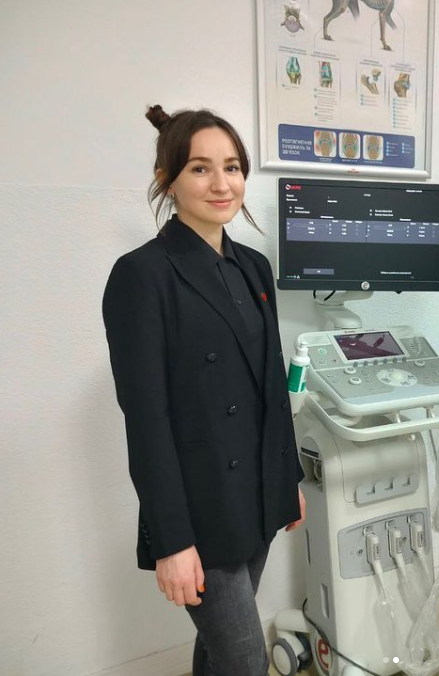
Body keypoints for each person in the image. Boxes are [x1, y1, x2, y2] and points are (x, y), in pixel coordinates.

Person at [103, 105, 305, 676]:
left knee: (220, 650)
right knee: (245, 659)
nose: (222, 184)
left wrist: (287, 479)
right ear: (167, 180)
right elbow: (146, 420)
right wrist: (171, 541)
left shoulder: (254, 267)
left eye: (232, 167)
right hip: (200, 509)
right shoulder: (143, 275)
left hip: (257, 495)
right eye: (200, 168)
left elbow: (271, 386)